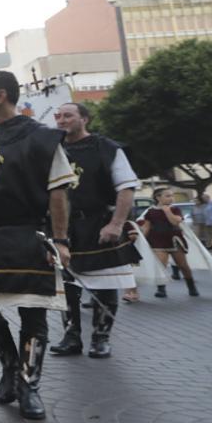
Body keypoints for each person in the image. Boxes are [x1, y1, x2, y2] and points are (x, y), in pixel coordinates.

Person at [0, 71, 75, 420]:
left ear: (1, 95)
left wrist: (61, 240)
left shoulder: (41, 139)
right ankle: (9, 364)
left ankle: (28, 384)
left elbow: (58, 192)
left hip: (27, 235)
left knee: (33, 312)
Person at [48, 103, 141, 359]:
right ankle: (71, 335)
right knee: (67, 284)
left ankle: (101, 337)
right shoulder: (53, 149)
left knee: (105, 282)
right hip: (62, 226)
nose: (62, 120)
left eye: (68, 115)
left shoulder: (107, 148)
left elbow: (126, 188)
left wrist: (116, 224)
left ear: (85, 119)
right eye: (58, 116)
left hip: (98, 222)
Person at [139, 188, 198, 297]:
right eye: (168, 196)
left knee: (183, 265)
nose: (171, 198)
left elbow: (175, 222)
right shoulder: (151, 211)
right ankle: (161, 289)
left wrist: (167, 211)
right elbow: (146, 227)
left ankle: (191, 286)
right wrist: (140, 240)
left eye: (172, 195)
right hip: (157, 240)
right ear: (158, 197)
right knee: (161, 265)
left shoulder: (175, 209)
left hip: (174, 239)